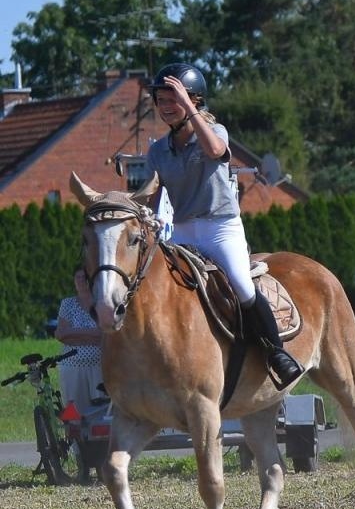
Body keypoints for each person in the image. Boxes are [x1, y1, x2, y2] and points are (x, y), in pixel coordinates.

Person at [146, 61, 305, 387]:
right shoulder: (157, 150)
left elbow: (217, 151)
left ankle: (276, 354)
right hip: (183, 231)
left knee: (242, 286)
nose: (166, 107)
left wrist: (188, 109)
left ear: (195, 100)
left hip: (220, 228)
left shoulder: (216, 132)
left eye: (172, 99)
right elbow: (154, 194)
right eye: (161, 100)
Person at [55, 268, 107, 414]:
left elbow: (104, 334)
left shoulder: (101, 303)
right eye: (77, 277)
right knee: (73, 411)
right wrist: (92, 336)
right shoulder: (67, 304)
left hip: (98, 365)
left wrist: (73, 333)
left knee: (101, 410)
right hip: (72, 367)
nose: (81, 281)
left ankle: (100, 437)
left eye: (84, 277)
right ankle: (72, 436)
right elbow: (60, 334)